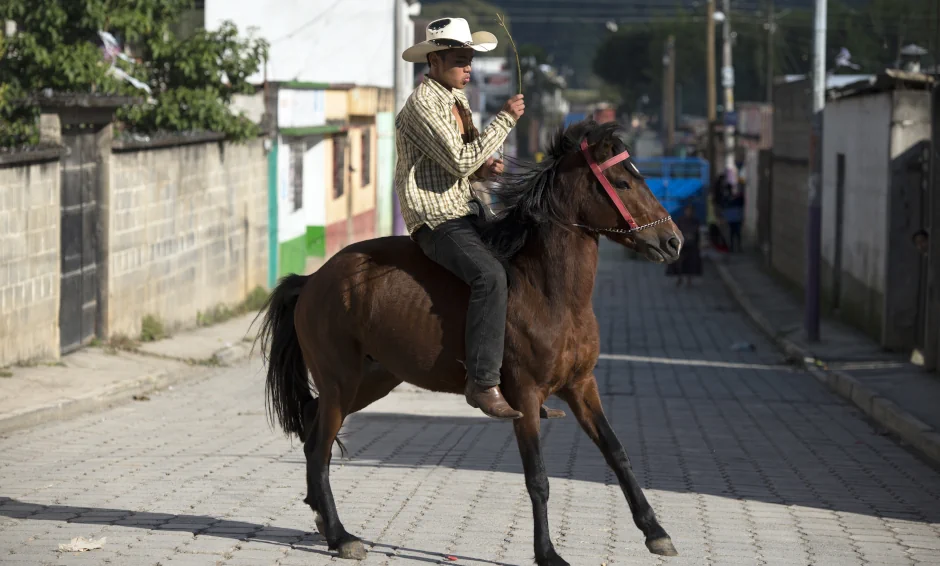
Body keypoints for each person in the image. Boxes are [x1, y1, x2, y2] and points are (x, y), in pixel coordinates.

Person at [396, 17, 528, 420]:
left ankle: (522, 374)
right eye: (459, 59)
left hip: (466, 206)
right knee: (489, 276)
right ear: (434, 61)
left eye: (470, 59)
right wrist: (504, 120)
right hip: (435, 217)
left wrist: (484, 172)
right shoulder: (423, 104)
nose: (468, 67)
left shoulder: (458, 99)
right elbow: (457, 160)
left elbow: (466, 165)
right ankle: (482, 382)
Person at [666, 204, 703, 286]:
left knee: (691, 263)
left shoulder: (695, 221)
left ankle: (689, 279)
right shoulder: (681, 220)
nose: (689, 212)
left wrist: (697, 242)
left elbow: (697, 233)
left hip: (692, 245)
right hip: (682, 245)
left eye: (690, 211)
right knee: (680, 262)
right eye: (687, 211)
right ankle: (680, 277)